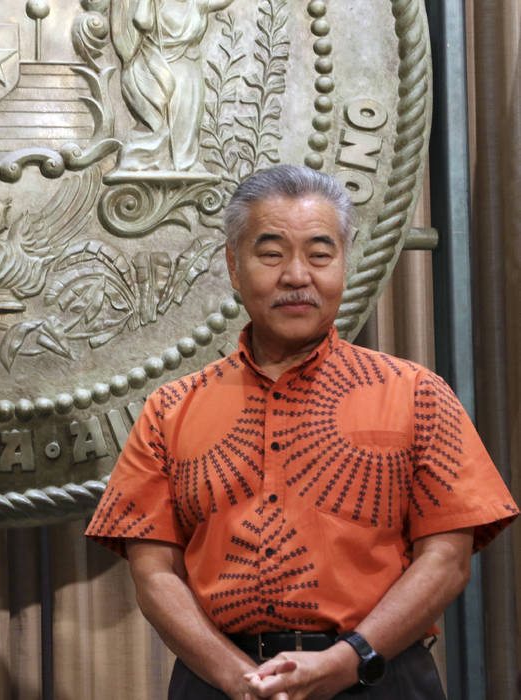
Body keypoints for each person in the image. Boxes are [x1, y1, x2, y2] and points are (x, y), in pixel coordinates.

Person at [85, 164, 518, 699]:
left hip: (375, 676)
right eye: (271, 254)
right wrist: (237, 679)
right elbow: (154, 576)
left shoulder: (417, 394)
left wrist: (346, 660)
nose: (296, 275)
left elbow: (447, 561)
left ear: (344, 264)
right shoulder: (169, 409)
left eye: (319, 254)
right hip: (220, 681)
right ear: (233, 265)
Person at [111, 0, 234, 171]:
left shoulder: (197, 3)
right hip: (162, 68)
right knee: (166, 122)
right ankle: (163, 160)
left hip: (189, 68)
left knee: (188, 119)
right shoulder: (157, 4)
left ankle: (184, 164)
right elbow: (142, 21)